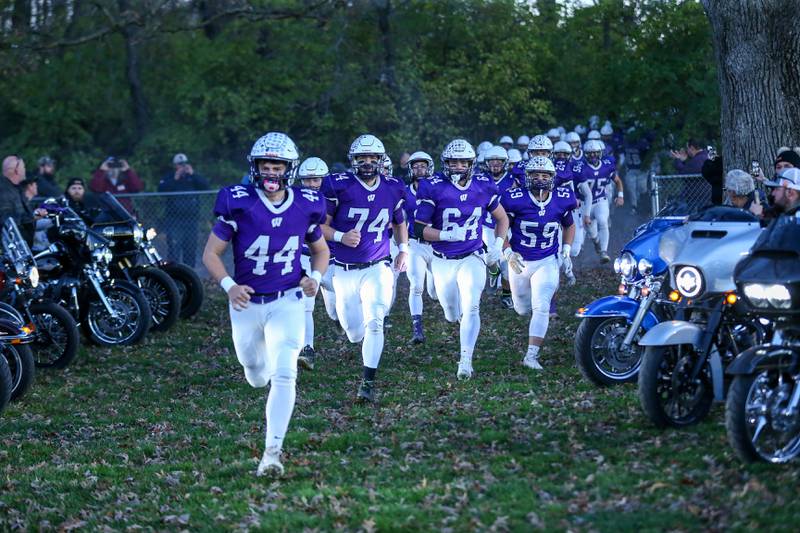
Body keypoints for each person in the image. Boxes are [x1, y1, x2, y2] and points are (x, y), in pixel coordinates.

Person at [202, 131, 329, 477]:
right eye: (265, 165)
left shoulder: (306, 203)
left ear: (289, 169)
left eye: (277, 165)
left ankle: (272, 452)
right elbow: (211, 253)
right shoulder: (239, 201)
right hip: (246, 304)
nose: (271, 172)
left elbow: (321, 250)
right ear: (255, 168)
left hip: (287, 300)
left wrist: (314, 278)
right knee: (256, 374)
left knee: (284, 373)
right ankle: (257, 375)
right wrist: (229, 285)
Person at [320, 134, 409, 403]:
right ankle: (351, 333)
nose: (368, 163)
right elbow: (319, 226)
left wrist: (403, 249)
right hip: (345, 269)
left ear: (381, 160)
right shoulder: (338, 185)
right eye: (362, 158)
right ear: (353, 161)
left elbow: (399, 220)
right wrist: (339, 236)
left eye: (373, 158)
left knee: (375, 322)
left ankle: (367, 382)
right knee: (354, 332)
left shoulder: (393, 186)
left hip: (378, 266)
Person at [415, 139, 509, 379]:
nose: (458, 166)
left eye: (462, 162)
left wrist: (498, 245)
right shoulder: (433, 186)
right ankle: (457, 323)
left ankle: (465, 360)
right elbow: (418, 229)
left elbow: (502, 218)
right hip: (443, 258)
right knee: (450, 311)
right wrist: (446, 234)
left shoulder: (483, 185)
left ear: (471, 163)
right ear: (445, 163)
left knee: (472, 306)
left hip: (472, 256)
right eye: (453, 162)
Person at [502, 156, 576, 370]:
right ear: (527, 177)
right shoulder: (514, 198)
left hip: (546, 261)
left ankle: (531, 356)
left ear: (553, 178)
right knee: (522, 308)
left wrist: (567, 250)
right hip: (519, 261)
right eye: (536, 175)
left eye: (545, 175)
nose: (540, 179)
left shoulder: (562, 198)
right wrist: (507, 251)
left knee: (541, 307)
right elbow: (501, 226)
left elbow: (569, 225)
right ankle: (522, 310)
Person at [292, 157, 330, 371]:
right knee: (307, 306)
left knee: (337, 310)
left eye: (316, 179)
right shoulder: (295, 200)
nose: (312, 184)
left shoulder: (333, 198)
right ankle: (308, 349)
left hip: (333, 260)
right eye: (307, 180)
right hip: (306, 256)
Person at [404, 151, 438, 344]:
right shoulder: (404, 190)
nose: (419, 169)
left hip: (436, 244)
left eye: (423, 166)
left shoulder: (438, 188)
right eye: (415, 166)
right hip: (415, 244)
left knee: (434, 292)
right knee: (416, 285)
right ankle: (417, 328)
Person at [575, 139, 624, 262]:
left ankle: (603, 252)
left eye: (595, 152)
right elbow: (574, 187)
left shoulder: (607, 165)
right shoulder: (580, 168)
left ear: (600, 153)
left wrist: (621, 195)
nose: (593, 155)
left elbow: (617, 181)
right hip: (585, 204)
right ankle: (597, 242)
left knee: (603, 221)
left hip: (600, 200)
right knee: (591, 231)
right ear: (585, 154)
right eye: (590, 153)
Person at [158, 153, 210, 267]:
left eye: (184, 164)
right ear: (175, 165)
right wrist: (175, 179)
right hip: (174, 221)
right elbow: (161, 190)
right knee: (174, 251)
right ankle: (173, 278)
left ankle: (190, 276)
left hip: (191, 221)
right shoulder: (170, 177)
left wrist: (193, 174)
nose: (182, 166)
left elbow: (206, 186)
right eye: (180, 164)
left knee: (190, 250)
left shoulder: (192, 177)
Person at [482, 145, 518, 306]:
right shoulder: (480, 179)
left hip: (508, 225)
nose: (495, 164)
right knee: (490, 258)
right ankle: (493, 271)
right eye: (492, 161)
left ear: (505, 162)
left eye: (499, 161)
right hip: (486, 225)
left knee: (507, 263)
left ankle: (506, 294)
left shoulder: (513, 181)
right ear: (486, 163)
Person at [0, 155, 46, 246]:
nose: (25, 170)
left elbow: (24, 214)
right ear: (16, 170)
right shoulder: (3, 190)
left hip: (21, 250)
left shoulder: (16, 189)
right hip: (11, 252)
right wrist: (33, 215)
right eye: (23, 167)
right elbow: (6, 220)